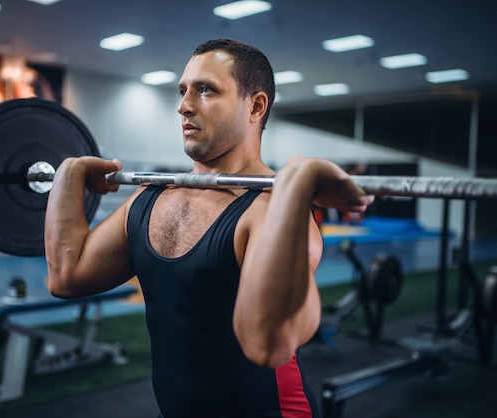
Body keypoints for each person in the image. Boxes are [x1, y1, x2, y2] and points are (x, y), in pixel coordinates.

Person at [45, 39, 374, 417]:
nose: (184, 105)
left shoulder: (270, 211)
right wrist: (68, 174)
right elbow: (67, 277)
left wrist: (300, 180)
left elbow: (270, 344)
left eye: (206, 90)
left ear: (256, 106)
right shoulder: (151, 198)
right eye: (183, 90)